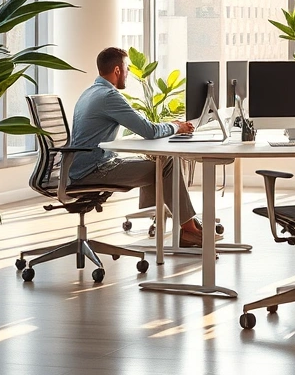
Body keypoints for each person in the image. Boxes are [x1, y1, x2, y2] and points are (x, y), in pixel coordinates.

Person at [68, 47, 217, 247]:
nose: (128, 73)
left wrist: (169, 126)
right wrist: (176, 126)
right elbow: (148, 131)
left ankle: (179, 221)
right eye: (127, 68)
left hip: (81, 166)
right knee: (167, 163)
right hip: (93, 170)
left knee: (159, 160)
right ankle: (189, 230)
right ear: (117, 70)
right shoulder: (108, 96)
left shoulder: (90, 92)